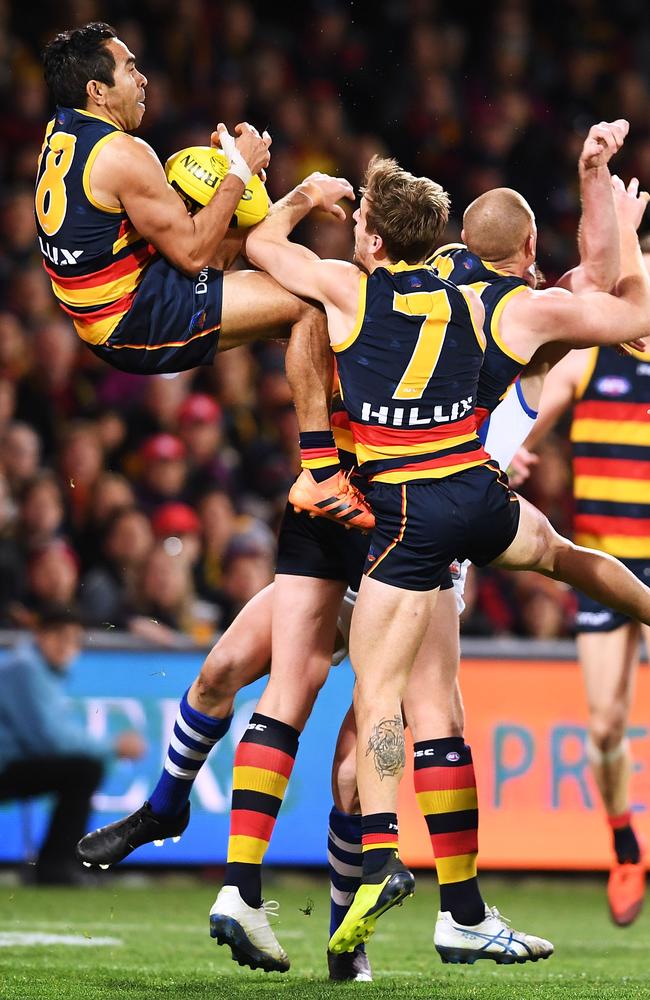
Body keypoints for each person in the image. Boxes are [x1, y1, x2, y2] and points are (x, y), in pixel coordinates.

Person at [227, 154, 650, 961]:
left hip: (409, 516)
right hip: (479, 495)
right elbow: (623, 310)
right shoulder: (500, 303)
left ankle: (383, 852)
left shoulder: (355, 290)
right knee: (562, 554)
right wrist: (622, 233)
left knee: (383, 695)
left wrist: (303, 199)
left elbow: (265, 251)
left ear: (378, 238)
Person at [36, 22, 370, 526]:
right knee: (308, 304)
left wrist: (237, 180)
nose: (143, 79)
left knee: (228, 205)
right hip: (132, 317)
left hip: (127, 293)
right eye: (130, 69)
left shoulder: (61, 132)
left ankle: (302, 196)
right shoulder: (124, 154)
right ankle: (322, 476)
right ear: (97, 91)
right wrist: (237, 172)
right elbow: (193, 254)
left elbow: (192, 243)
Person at [511, 248, 650, 927]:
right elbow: (532, 411)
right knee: (603, 725)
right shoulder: (593, 355)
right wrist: (507, 448)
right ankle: (625, 844)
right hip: (601, 562)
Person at [0, 605, 145, 884]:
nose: (68, 647)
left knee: (81, 769)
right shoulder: (26, 668)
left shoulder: (35, 667)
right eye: (61, 637)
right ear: (41, 636)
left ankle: (57, 864)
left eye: (74, 640)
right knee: (83, 770)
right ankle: (56, 867)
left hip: (10, 763)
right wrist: (112, 746)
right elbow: (50, 740)